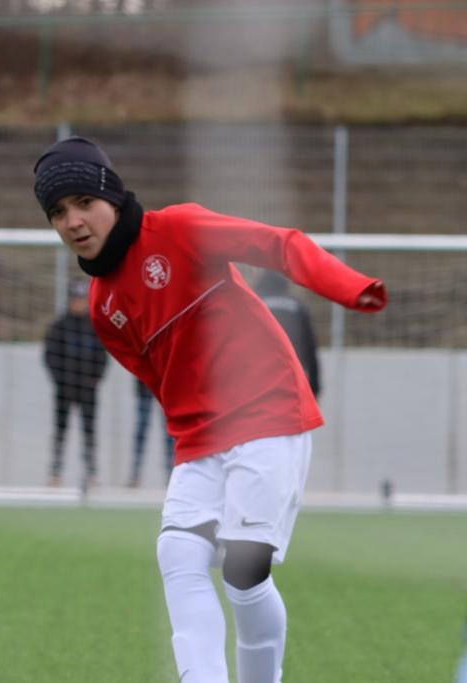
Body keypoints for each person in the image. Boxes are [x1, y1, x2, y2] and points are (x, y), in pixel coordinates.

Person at [33, 136, 386, 683]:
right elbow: (156, 379)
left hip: (268, 415)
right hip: (199, 440)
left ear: (113, 196)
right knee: (177, 553)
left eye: (83, 202)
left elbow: (278, 244)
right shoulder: (103, 305)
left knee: (244, 569)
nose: (73, 221)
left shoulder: (177, 228)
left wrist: (350, 287)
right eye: (58, 212)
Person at [42, 279, 108, 488]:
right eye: (76, 299)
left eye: (82, 299)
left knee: (89, 430)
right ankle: (55, 472)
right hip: (65, 388)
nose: (79, 303)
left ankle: (91, 473)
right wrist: (60, 380)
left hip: (88, 389)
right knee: (60, 430)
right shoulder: (60, 326)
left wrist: (94, 380)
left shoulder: (94, 326)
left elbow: (103, 356)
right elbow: (50, 356)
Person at [255, 269, 321, 397]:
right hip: (293, 377)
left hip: (261, 380)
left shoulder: (254, 303)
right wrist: (314, 386)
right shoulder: (298, 306)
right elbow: (310, 347)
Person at [126, 376, 174, 488]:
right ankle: (135, 475)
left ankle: (171, 474)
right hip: (145, 386)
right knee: (141, 431)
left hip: (165, 386)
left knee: (169, 432)